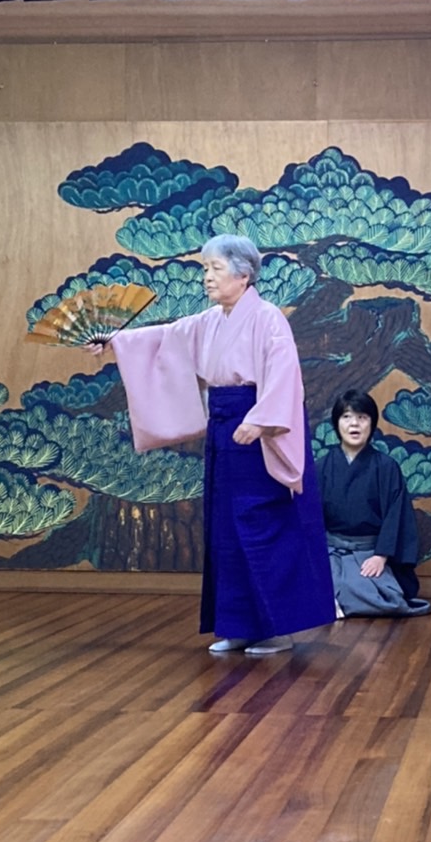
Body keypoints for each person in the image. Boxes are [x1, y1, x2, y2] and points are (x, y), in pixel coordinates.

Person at [90, 235, 335, 656]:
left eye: (215, 268)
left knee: (261, 524)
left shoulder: (268, 318)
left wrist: (260, 419)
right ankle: (238, 625)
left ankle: (276, 629)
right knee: (225, 527)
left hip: (257, 432)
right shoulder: (210, 321)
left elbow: (284, 374)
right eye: (205, 268)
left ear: (243, 275)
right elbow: (165, 338)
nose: (206, 277)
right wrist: (114, 341)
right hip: (224, 428)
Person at [318, 390, 431, 618]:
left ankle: (335, 604)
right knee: (310, 583)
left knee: (378, 593)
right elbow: (310, 518)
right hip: (330, 552)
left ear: (372, 423)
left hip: (369, 553)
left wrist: (381, 556)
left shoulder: (386, 467)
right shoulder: (321, 466)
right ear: (337, 423)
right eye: (346, 417)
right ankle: (333, 600)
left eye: (362, 417)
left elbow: (396, 515)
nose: (354, 424)